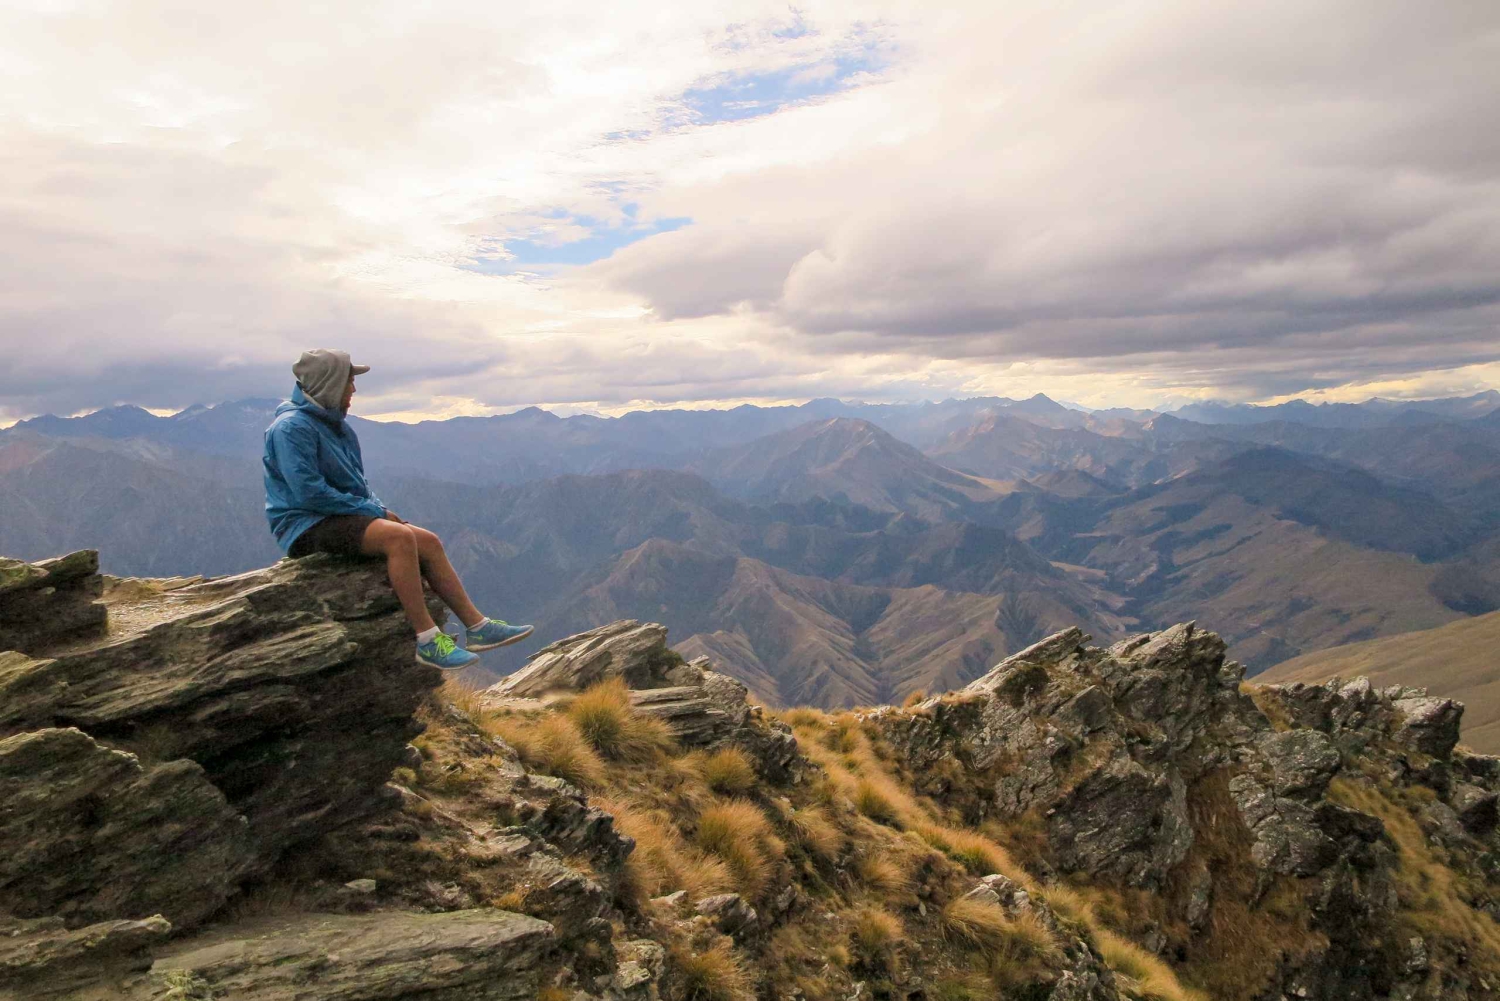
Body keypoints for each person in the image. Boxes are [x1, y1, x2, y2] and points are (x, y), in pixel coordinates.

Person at [262, 348, 532, 670]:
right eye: (349, 381)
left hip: (336, 515)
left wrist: (377, 508)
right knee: (399, 539)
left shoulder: (337, 427)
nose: (354, 390)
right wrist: (369, 511)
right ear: (330, 383)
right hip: (305, 525)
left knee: (427, 540)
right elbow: (306, 492)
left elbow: (357, 483)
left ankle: (478, 627)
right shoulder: (291, 428)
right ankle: (428, 640)